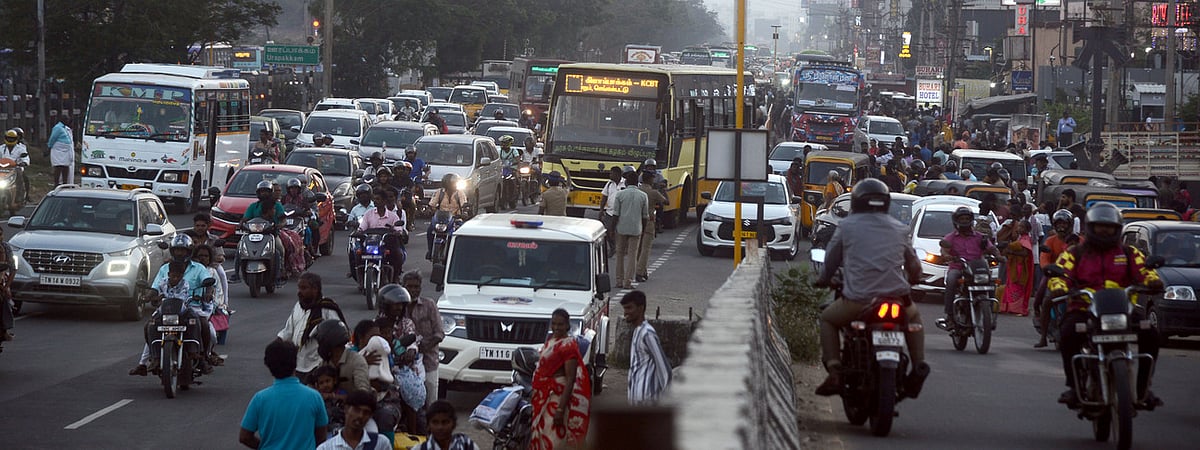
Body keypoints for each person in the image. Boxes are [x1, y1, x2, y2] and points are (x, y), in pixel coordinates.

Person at [812, 179, 929, 395]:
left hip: (859, 300)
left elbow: (831, 260)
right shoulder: (900, 228)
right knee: (914, 319)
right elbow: (914, 265)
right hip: (899, 299)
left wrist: (824, 279)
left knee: (827, 319)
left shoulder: (846, 226)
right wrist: (914, 278)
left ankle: (835, 371)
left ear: (856, 202)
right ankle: (918, 365)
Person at [1048, 202, 1163, 409]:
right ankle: (1074, 387)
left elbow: (1145, 272)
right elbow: (1061, 274)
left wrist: (1153, 282)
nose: (1104, 231)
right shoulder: (1075, 253)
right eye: (1100, 226)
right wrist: (1058, 287)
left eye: (1109, 227)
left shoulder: (1129, 253)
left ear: (1117, 229)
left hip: (1123, 311)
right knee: (1067, 334)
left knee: (1151, 335)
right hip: (1084, 310)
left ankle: (1143, 389)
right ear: (1090, 228)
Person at [129, 234, 213, 376]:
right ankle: (154, 358)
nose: (179, 253)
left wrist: (208, 293)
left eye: (183, 250)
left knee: (203, 324)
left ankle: (203, 357)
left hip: (190, 306)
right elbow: (155, 287)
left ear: (189, 251)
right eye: (177, 250)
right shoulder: (164, 269)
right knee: (150, 326)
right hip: (168, 307)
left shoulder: (199, 268)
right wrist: (147, 297)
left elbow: (208, 282)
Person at [239, 340, 329, 450]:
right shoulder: (314, 397)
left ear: (269, 366)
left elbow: (244, 437)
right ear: (295, 363)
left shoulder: (260, 399)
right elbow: (321, 436)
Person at [529, 308, 592, 449]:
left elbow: (570, 379)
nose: (556, 327)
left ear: (568, 325)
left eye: (560, 324)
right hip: (544, 397)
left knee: (554, 440)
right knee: (541, 436)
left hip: (556, 399)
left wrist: (560, 409)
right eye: (554, 324)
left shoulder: (568, 346)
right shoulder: (551, 341)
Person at [939, 207, 1004, 326]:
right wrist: (947, 256)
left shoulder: (980, 237)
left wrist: (998, 256)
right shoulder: (951, 237)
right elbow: (944, 250)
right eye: (962, 219)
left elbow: (992, 248)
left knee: (991, 283)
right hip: (958, 268)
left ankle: (989, 314)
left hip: (976, 269)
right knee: (951, 280)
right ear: (956, 220)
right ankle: (949, 315)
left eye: (966, 218)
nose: (964, 221)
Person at [276, 273, 347, 377]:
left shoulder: (327, 308)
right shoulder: (298, 307)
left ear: (315, 289)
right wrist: (277, 342)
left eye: (304, 288)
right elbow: (288, 330)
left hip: (318, 365)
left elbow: (338, 334)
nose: (299, 292)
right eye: (299, 288)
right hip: (298, 364)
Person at [1034, 209, 1082, 347]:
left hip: (1078, 278)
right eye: (1058, 224)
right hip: (1055, 276)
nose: (1061, 227)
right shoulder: (1050, 241)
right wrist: (1049, 269)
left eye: (1064, 224)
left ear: (1070, 225)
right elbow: (1044, 259)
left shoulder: (1081, 241)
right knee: (1045, 299)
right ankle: (1043, 336)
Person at [401, 271, 444, 408]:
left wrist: (424, 348)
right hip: (405, 363)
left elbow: (439, 333)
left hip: (429, 360)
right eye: (409, 286)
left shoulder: (429, 305)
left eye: (416, 287)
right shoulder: (398, 307)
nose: (413, 290)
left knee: (431, 400)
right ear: (403, 287)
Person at [621, 290, 670, 405]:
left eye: (629, 308)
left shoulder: (647, 334)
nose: (625, 313)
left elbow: (664, 370)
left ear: (640, 308)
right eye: (625, 308)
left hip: (647, 400)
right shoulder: (637, 331)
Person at [317, 390, 393, 450]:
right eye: (356, 410)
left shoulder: (381, 443)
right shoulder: (326, 448)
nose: (360, 416)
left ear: (370, 416)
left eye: (366, 412)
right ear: (346, 409)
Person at [358, 189, 407, 282]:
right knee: (357, 254)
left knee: (398, 254)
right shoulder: (368, 214)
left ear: (384, 201)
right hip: (371, 244)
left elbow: (399, 229)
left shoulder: (393, 216)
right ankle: (360, 278)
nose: (375, 201)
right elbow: (362, 227)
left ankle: (395, 277)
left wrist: (397, 232)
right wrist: (359, 231)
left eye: (378, 199)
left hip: (387, 245)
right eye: (374, 199)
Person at [612, 170, 649, 289]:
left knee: (619, 254)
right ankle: (628, 282)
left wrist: (612, 229)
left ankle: (619, 280)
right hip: (636, 229)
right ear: (637, 182)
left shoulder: (620, 195)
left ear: (626, 182)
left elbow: (615, 214)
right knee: (632, 255)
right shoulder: (643, 196)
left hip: (621, 228)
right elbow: (645, 216)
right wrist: (643, 229)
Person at [192, 244, 227, 365]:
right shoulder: (190, 271)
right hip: (188, 306)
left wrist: (210, 302)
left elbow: (218, 293)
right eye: (200, 256)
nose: (202, 258)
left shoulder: (212, 272)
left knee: (211, 334)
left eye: (206, 256)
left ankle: (206, 354)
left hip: (205, 309)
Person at [426, 173, 468, 259]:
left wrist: (464, 213)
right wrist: (430, 209)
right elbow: (432, 204)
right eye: (453, 183)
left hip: (455, 219)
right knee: (430, 231)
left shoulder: (460, 193)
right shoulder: (439, 192)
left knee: (461, 235)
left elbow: (464, 205)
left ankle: (458, 255)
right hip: (441, 219)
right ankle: (430, 251)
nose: (455, 185)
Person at [636, 171, 668, 283]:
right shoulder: (653, 192)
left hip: (637, 221)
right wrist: (662, 189)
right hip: (649, 221)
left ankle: (642, 270)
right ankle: (639, 272)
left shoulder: (638, 190)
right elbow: (666, 202)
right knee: (646, 249)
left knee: (638, 248)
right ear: (650, 179)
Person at [414, 401, 481, 450]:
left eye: (445, 422)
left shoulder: (466, 445)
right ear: (428, 425)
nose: (440, 427)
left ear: (453, 424)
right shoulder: (420, 448)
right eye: (435, 422)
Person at [1000, 220, 1034, 316]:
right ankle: (1010, 307)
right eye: (1019, 226)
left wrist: (1011, 252)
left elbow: (1025, 253)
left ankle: (1018, 309)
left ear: (1027, 230)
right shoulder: (1020, 239)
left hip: (1020, 268)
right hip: (1015, 266)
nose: (1019, 228)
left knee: (1017, 287)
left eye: (1021, 227)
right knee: (1012, 286)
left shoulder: (1025, 240)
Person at [599, 167, 625, 254]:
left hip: (622, 213)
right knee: (607, 230)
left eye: (612, 173)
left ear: (618, 174)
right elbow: (604, 197)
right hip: (610, 212)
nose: (610, 175)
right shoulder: (609, 184)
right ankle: (612, 247)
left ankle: (621, 248)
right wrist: (601, 210)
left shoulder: (625, 183)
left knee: (621, 231)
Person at [1, 129, 29, 203]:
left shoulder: (21, 148)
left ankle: (20, 197)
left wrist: (24, 162)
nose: (10, 140)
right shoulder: (1, 148)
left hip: (16, 168)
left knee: (20, 176)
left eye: (12, 138)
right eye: (8, 138)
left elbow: (25, 157)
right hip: (3, 169)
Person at [47, 116, 74, 186]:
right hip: (59, 150)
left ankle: (65, 183)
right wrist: (49, 146)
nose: (68, 121)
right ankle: (56, 183)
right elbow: (53, 138)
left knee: (65, 166)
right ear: (63, 120)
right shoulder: (57, 128)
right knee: (58, 167)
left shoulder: (64, 128)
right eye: (67, 120)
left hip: (65, 151)